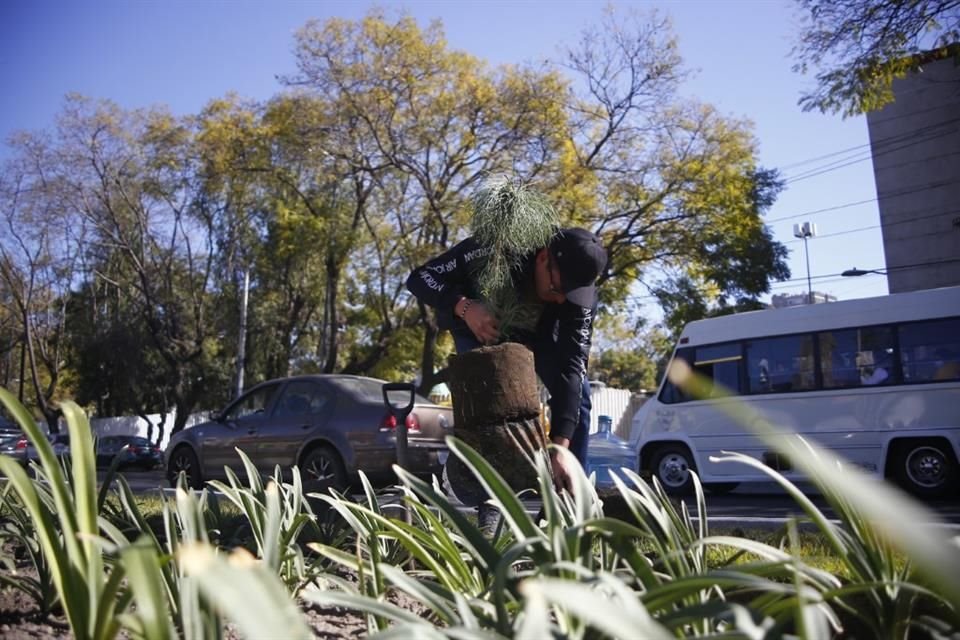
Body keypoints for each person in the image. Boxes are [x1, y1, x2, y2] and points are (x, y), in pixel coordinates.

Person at [406, 227, 607, 495]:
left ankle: (571, 498)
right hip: (481, 323)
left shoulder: (578, 300)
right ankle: (488, 501)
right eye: (558, 288)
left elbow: (572, 368)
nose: (561, 299)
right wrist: (464, 307)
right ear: (543, 258)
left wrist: (560, 448)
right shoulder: (498, 248)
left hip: (539, 333)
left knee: (578, 396)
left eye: (570, 294)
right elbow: (420, 278)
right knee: (491, 400)